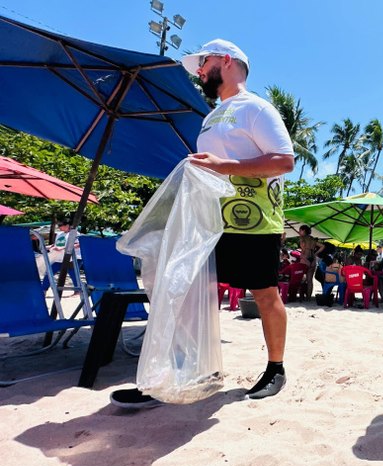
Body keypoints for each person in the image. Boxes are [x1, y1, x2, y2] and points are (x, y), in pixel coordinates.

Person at [111, 39, 295, 408]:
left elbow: (284, 161)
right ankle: (180, 373)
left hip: (254, 222)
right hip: (207, 220)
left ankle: (276, 368)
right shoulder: (211, 116)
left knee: (263, 293)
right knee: (188, 291)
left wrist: (223, 167)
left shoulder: (256, 108)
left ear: (226, 62)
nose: (198, 71)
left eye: (203, 62)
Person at [298, 225, 324, 300]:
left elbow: (303, 248)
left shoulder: (302, 239)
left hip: (305, 258)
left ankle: (301, 296)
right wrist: (315, 253)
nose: (299, 232)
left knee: (301, 278)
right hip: (313, 259)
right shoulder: (313, 239)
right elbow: (322, 246)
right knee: (310, 280)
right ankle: (308, 297)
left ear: (303, 230)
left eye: (300, 230)